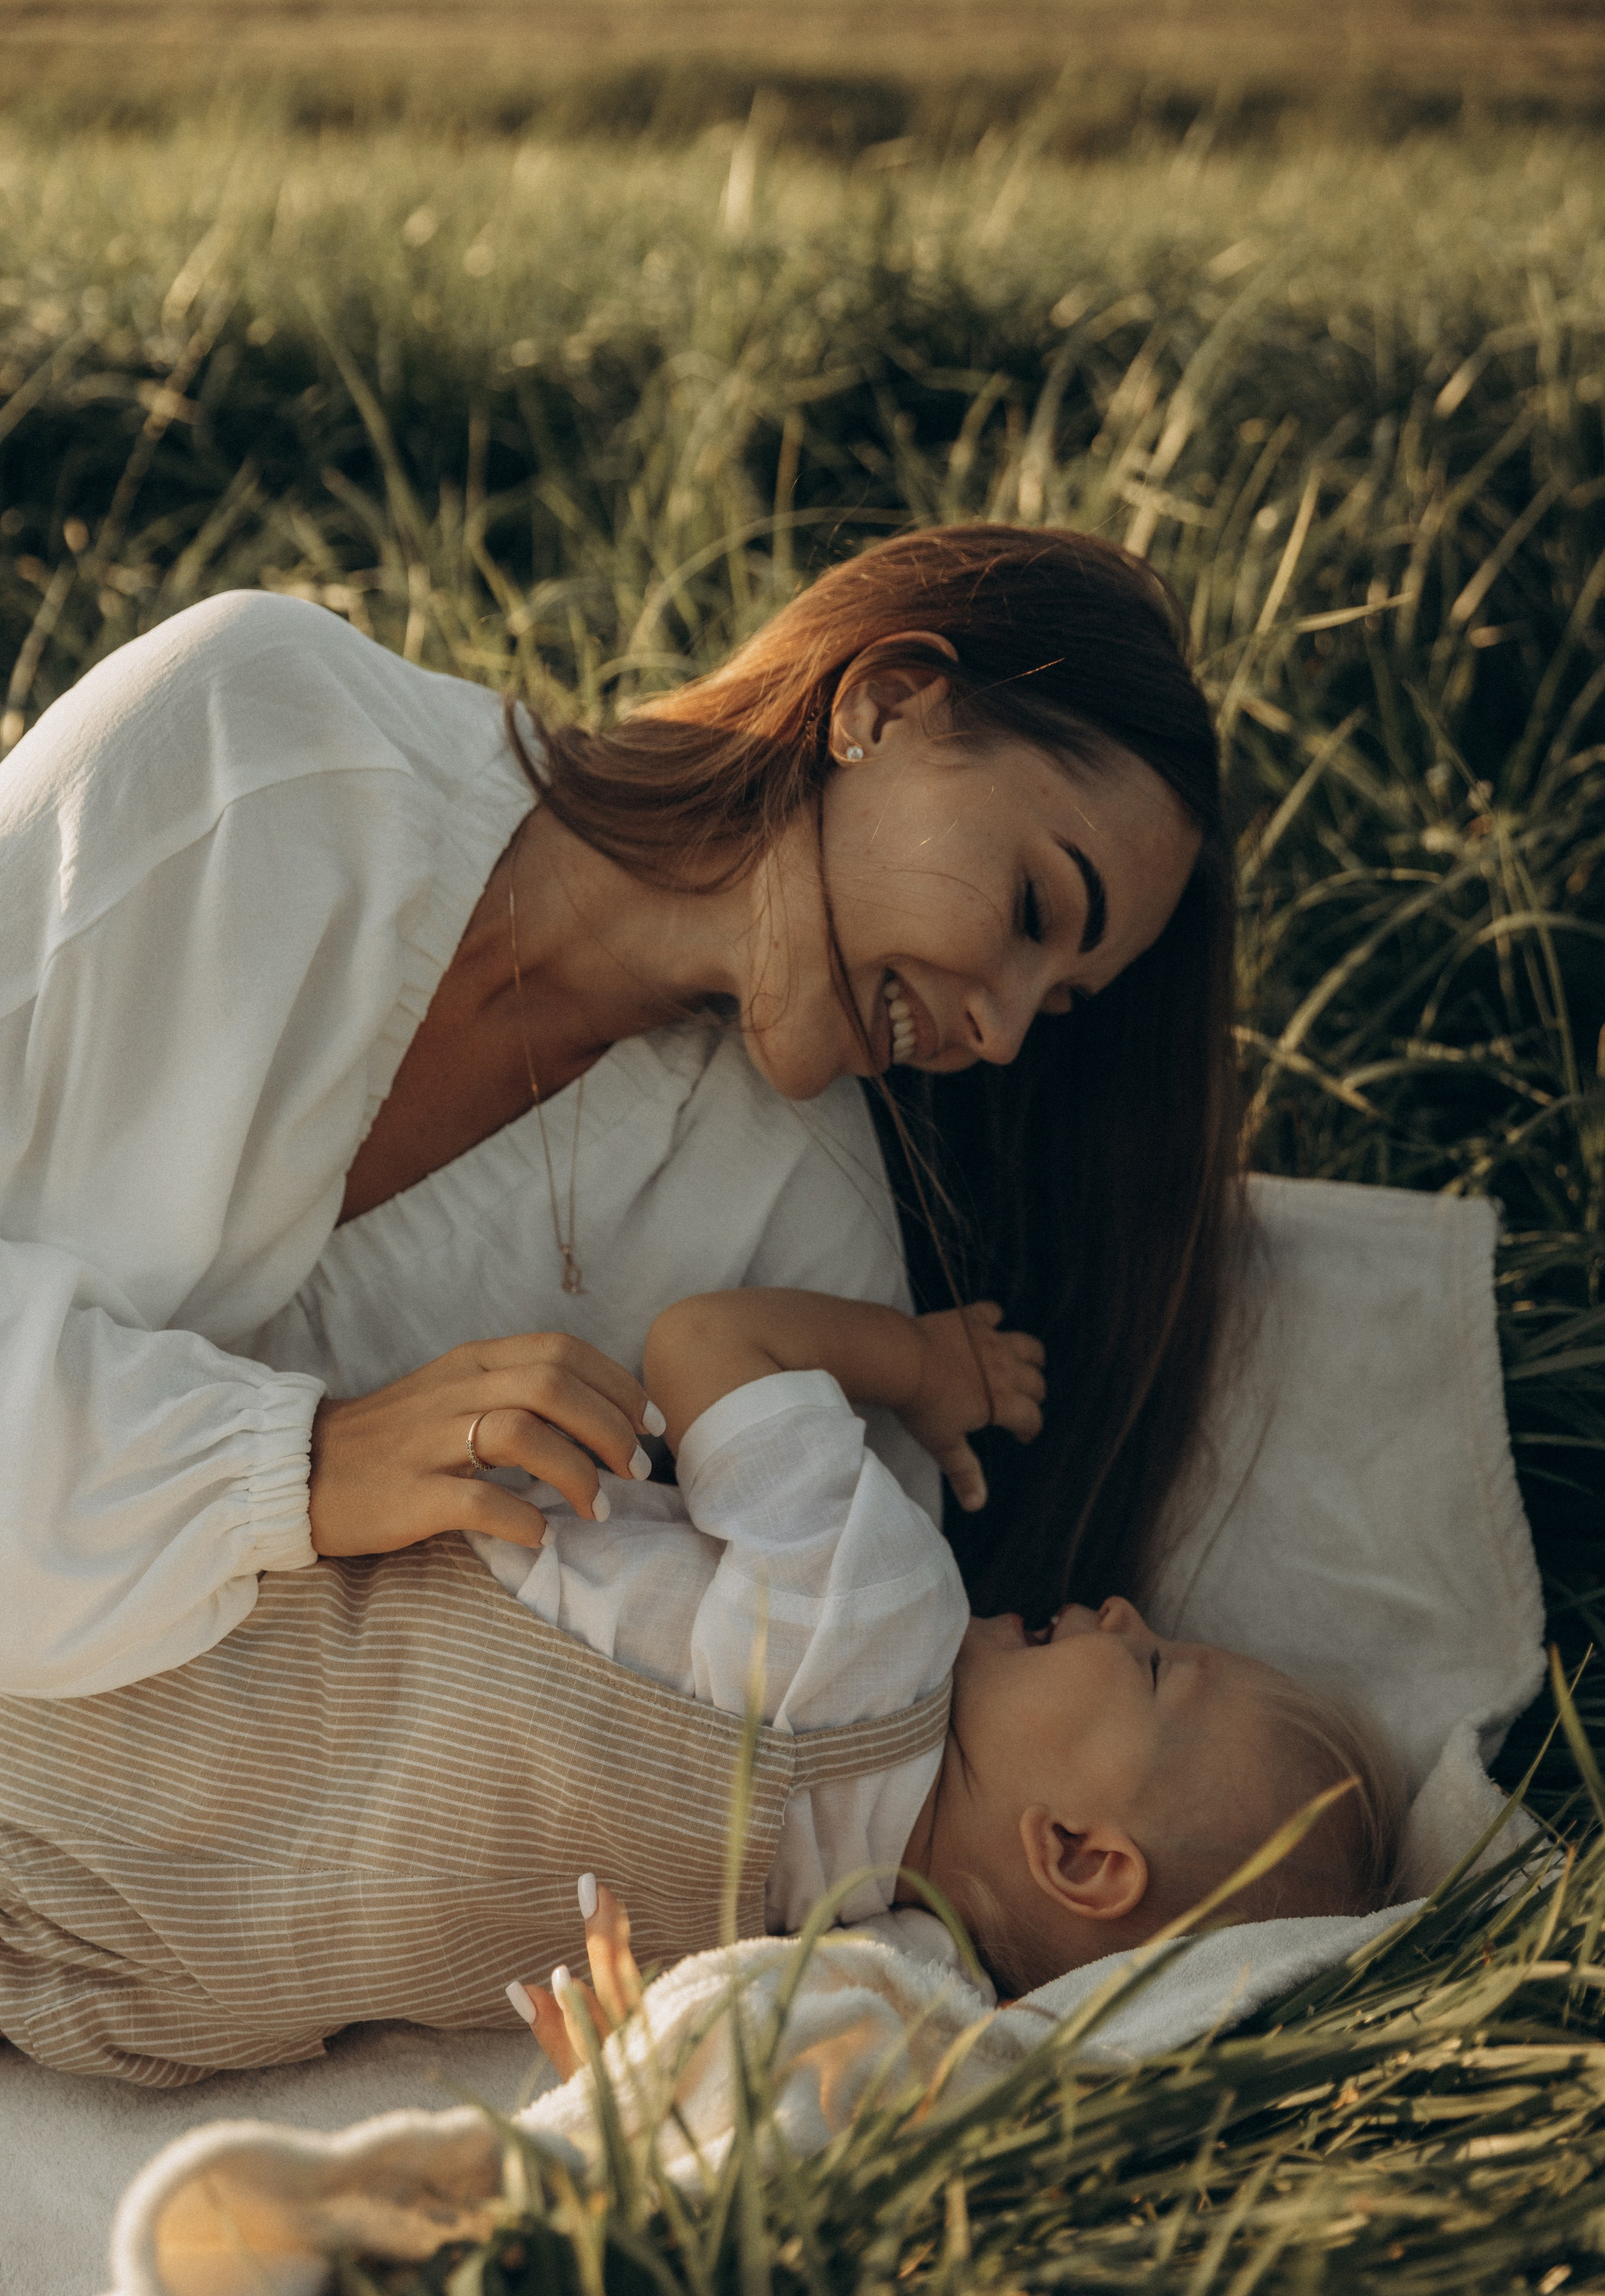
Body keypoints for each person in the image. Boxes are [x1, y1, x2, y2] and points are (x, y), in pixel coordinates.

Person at [0, 523, 1235, 1702]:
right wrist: (298, 1468)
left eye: (1057, 1007)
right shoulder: (261, 742)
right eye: (1030, 909)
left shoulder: (799, 1247)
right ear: (884, 706)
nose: (1003, 1032)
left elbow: (832, 1728)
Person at [0, 1285, 1399, 2087]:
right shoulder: (877, 1971)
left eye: (1149, 1665)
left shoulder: (884, 1610)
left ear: (1080, 1857)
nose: (1117, 1607)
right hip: (192, 1970)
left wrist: (918, 1362)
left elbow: (703, 1345)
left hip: (275, 1693)